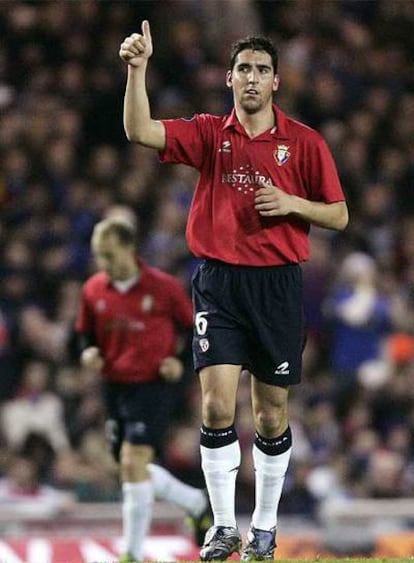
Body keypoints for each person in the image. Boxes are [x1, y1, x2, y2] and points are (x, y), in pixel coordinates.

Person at [119, 21, 348, 561]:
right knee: (217, 406)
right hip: (219, 283)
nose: (252, 78)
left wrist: (294, 204)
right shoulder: (207, 133)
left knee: (270, 415)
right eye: (243, 69)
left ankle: (264, 530)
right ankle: (223, 527)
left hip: (278, 287)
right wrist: (136, 69)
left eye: (262, 70)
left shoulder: (305, 143)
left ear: (275, 84)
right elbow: (139, 131)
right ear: (229, 79)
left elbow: (338, 214)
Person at [75, 216, 211, 563]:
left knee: (133, 460)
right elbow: (83, 333)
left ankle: (131, 554)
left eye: (109, 255)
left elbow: (193, 327)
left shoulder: (162, 287)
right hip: (114, 385)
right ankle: (194, 502)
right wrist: (87, 350)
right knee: (127, 468)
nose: (104, 264)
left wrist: (179, 359)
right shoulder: (93, 290)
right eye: (99, 256)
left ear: (130, 249)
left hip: (153, 384)